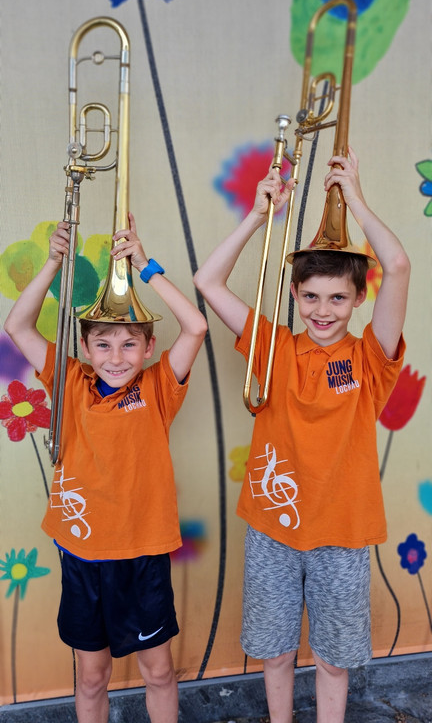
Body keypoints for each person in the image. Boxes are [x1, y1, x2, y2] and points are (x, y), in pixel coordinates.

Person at [193, 147, 410, 723]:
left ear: (359, 299)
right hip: (273, 529)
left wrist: (355, 199)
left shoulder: (371, 358)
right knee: (276, 653)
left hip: (343, 532)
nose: (323, 310)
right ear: (294, 295)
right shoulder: (274, 348)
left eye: (338, 298)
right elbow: (207, 281)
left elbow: (399, 265)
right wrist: (257, 216)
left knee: (334, 661)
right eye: (310, 296)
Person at [5, 213, 208, 723]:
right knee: (92, 677)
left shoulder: (158, 387)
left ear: (149, 347)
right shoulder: (68, 379)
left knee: (158, 673)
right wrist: (53, 263)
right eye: (103, 344)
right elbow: (17, 326)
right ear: (85, 346)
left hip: (143, 554)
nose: (116, 357)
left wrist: (146, 265)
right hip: (83, 555)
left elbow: (197, 326)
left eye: (129, 344)